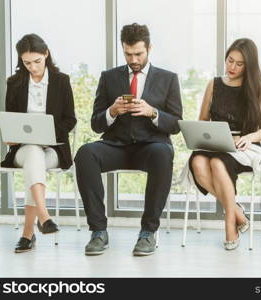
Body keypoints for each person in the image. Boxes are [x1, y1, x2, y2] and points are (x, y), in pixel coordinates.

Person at [74, 23, 182, 256]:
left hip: (151, 147)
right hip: (116, 145)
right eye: (128, 53)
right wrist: (112, 111)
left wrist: (152, 113)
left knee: (163, 153)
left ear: (149, 48)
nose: (133, 59)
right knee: (85, 153)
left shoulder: (168, 79)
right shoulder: (108, 77)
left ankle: (147, 233)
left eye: (138, 54)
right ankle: (98, 231)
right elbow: (95, 123)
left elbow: (175, 125)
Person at [185, 38, 261, 250]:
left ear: (248, 66)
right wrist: (208, 134)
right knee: (197, 163)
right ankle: (237, 212)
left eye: (239, 64)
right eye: (229, 60)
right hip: (216, 142)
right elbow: (203, 119)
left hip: (244, 145)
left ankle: (230, 226)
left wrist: (248, 138)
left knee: (216, 163)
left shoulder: (257, 87)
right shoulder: (213, 85)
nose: (232, 67)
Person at [1, 34, 77, 253]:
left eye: (37, 61)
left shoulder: (61, 81)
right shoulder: (14, 83)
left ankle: (28, 234)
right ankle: (43, 216)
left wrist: (49, 133)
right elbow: (11, 121)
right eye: (26, 63)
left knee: (35, 162)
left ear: (46, 54)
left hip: (53, 149)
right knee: (33, 153)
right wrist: (12, 135)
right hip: (22, 150)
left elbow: (70, 119)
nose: (32, 67)